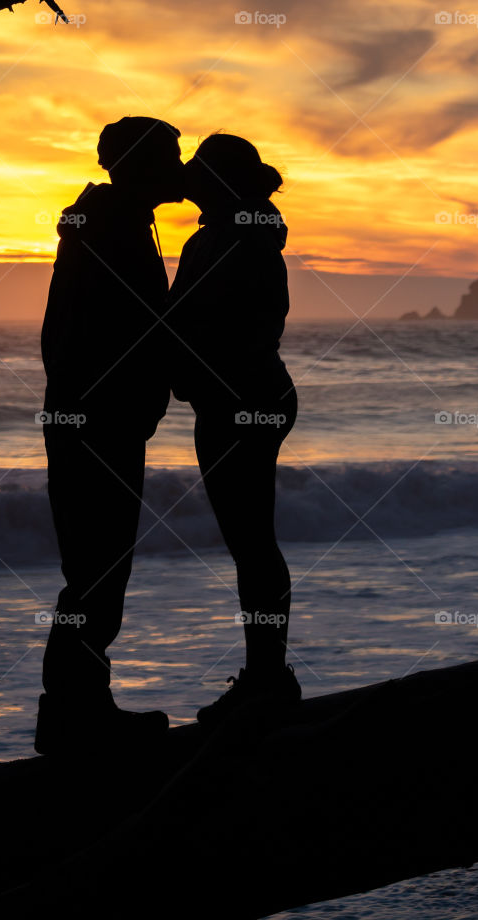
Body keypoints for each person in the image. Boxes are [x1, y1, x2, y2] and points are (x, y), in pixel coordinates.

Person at [34, 115, 184, 754]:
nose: (179, 169)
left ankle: (76, 708)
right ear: (141, 165)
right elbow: (97, 331)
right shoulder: (112, 229)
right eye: (170, 157)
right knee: (96, 568)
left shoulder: (114, 223)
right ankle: (73, 713)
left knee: (97, 568)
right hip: (98, 422)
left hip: (96, 417)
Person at [166, 134, 300, 725]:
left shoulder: (235, 239)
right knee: (251, 543)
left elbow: (220, 326)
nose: (186, 174)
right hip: (246, 395)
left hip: (243, 399)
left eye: (198, 167)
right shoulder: (231, 233)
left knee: (252, 544)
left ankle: (267, 676)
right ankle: (266, 673)